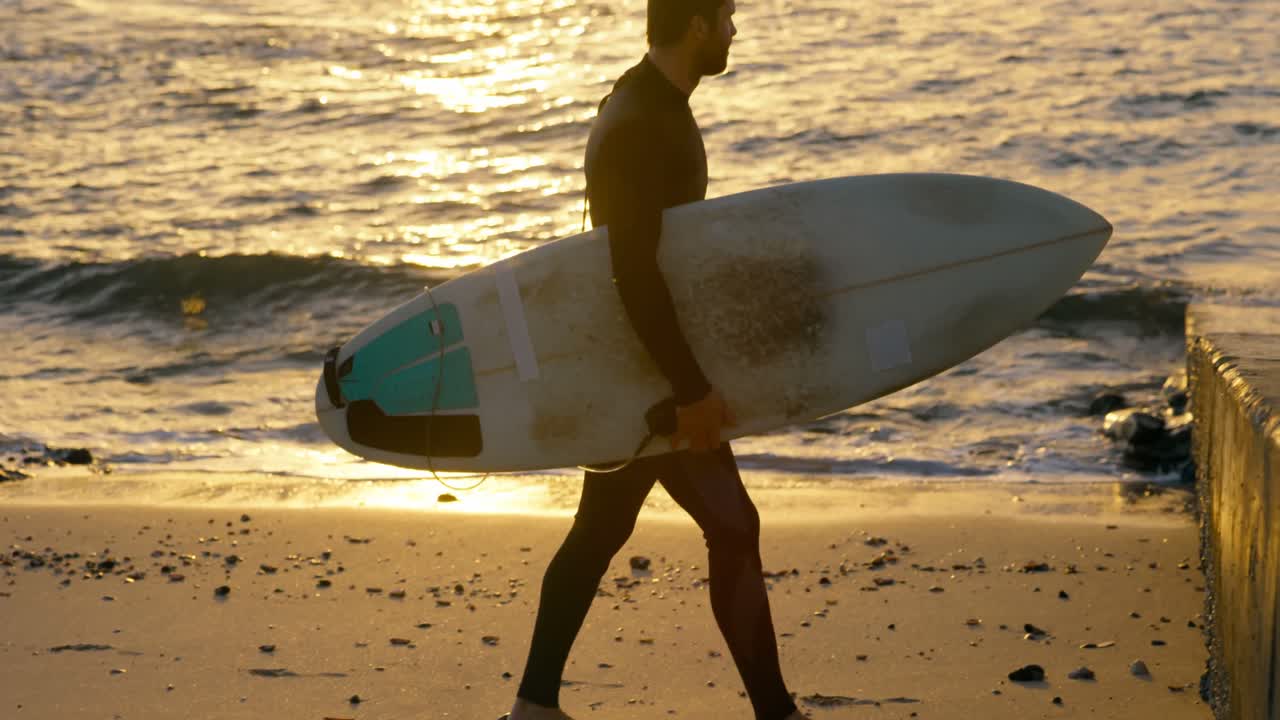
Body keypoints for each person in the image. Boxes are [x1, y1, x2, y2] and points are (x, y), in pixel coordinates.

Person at [502, 2, 807, 719]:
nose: (735, 29)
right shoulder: (642, 123)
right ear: (696, 25)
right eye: (727, 16)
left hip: (632, 360)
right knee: (732, 526)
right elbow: (633, 272)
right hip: (650, 371)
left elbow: (657, 262)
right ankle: (777, 713)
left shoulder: (646, 101)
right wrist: (691, 388)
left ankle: (533, 707)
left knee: (602, 528)